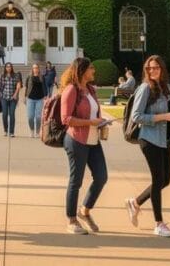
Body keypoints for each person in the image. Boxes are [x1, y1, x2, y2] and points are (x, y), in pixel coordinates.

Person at [125, 55, 170, 238]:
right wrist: (163, 117)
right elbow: (136, 116)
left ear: (162, 69)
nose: (152, 71)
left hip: (164, 139)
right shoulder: (144, 89)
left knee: (165, 181)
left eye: (156, 67)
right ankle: (158, 224)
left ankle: (135, 202)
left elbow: (165, 113)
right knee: (158, 180)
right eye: (149, 68)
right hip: (149, 139)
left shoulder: (167, 88)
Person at [59, 57, 108, 235]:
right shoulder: (72, 90)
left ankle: (85, 210)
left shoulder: (90, 90)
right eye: (91, 68)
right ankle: (72, 220)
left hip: (93, 141)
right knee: (76, 181)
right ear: (82, 70)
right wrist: (90, 122)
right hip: (77, 141)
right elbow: (66, 119)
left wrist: (101, 122)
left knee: (101, 177)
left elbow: (94, 114)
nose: (94, 71)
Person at [0, 63, 22, 137]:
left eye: (10, 67)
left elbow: (18, 86)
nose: (8, 68)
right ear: (5, 68)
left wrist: (15, 94)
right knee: (4, 114)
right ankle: (5, 130)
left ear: (12, 68)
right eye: (7, 67)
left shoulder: (16, 75)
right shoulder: (2, 76)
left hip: (13, 98)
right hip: (4, 97)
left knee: (12, 114)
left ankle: (12, 132)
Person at [25, 63, 47, 137]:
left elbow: (45, 87)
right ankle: (32, 130)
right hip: (30, 99)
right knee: (30, 117)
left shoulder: (42, 77)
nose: (35, 69)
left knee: (38, 117)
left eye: (36, 68)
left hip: (39, 99)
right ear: (32, 69)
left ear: (38, 69)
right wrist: (25, 97)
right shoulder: (29, 77)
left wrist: (45, 96)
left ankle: (37, 131)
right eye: (34, 68)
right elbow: (26, 87)